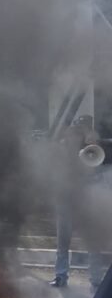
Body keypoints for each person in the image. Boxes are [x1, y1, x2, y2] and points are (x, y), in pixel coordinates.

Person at [50, 115, 104, 288]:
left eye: (84, 127)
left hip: (86, 199)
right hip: (65, 197)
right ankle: (61, 276)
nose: (78, 134)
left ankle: (96, 279)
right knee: (63, 241)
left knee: (93, 240)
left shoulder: (94, 145)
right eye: (79, 127)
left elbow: (98, 168)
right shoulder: (63, 146)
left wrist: (93, 142)